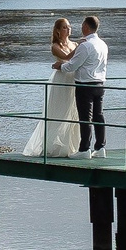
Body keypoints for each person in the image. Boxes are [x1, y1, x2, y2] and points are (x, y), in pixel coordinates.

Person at [20, 17, 81, 158]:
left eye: (69, 26)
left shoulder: (74, 44)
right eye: (65, 27)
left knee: (74, 112)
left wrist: (79, 47)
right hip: (61, 80)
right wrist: (79, 48)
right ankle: (54, 146)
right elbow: (68, 57)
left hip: (73, 79)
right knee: (60, 111)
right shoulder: (55, 46)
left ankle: (72, 145)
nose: (69, 29)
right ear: (58, 30)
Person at [64, 14, 109, 157]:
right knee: (98, 116)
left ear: (86, 26)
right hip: (100, 84)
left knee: (85, 118)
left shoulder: (86, 46)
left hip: (85, 85)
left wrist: (60, 66)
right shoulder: (103, 44)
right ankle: (100, 147)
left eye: (83, 25)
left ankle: (84, 149)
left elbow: (72, 65)